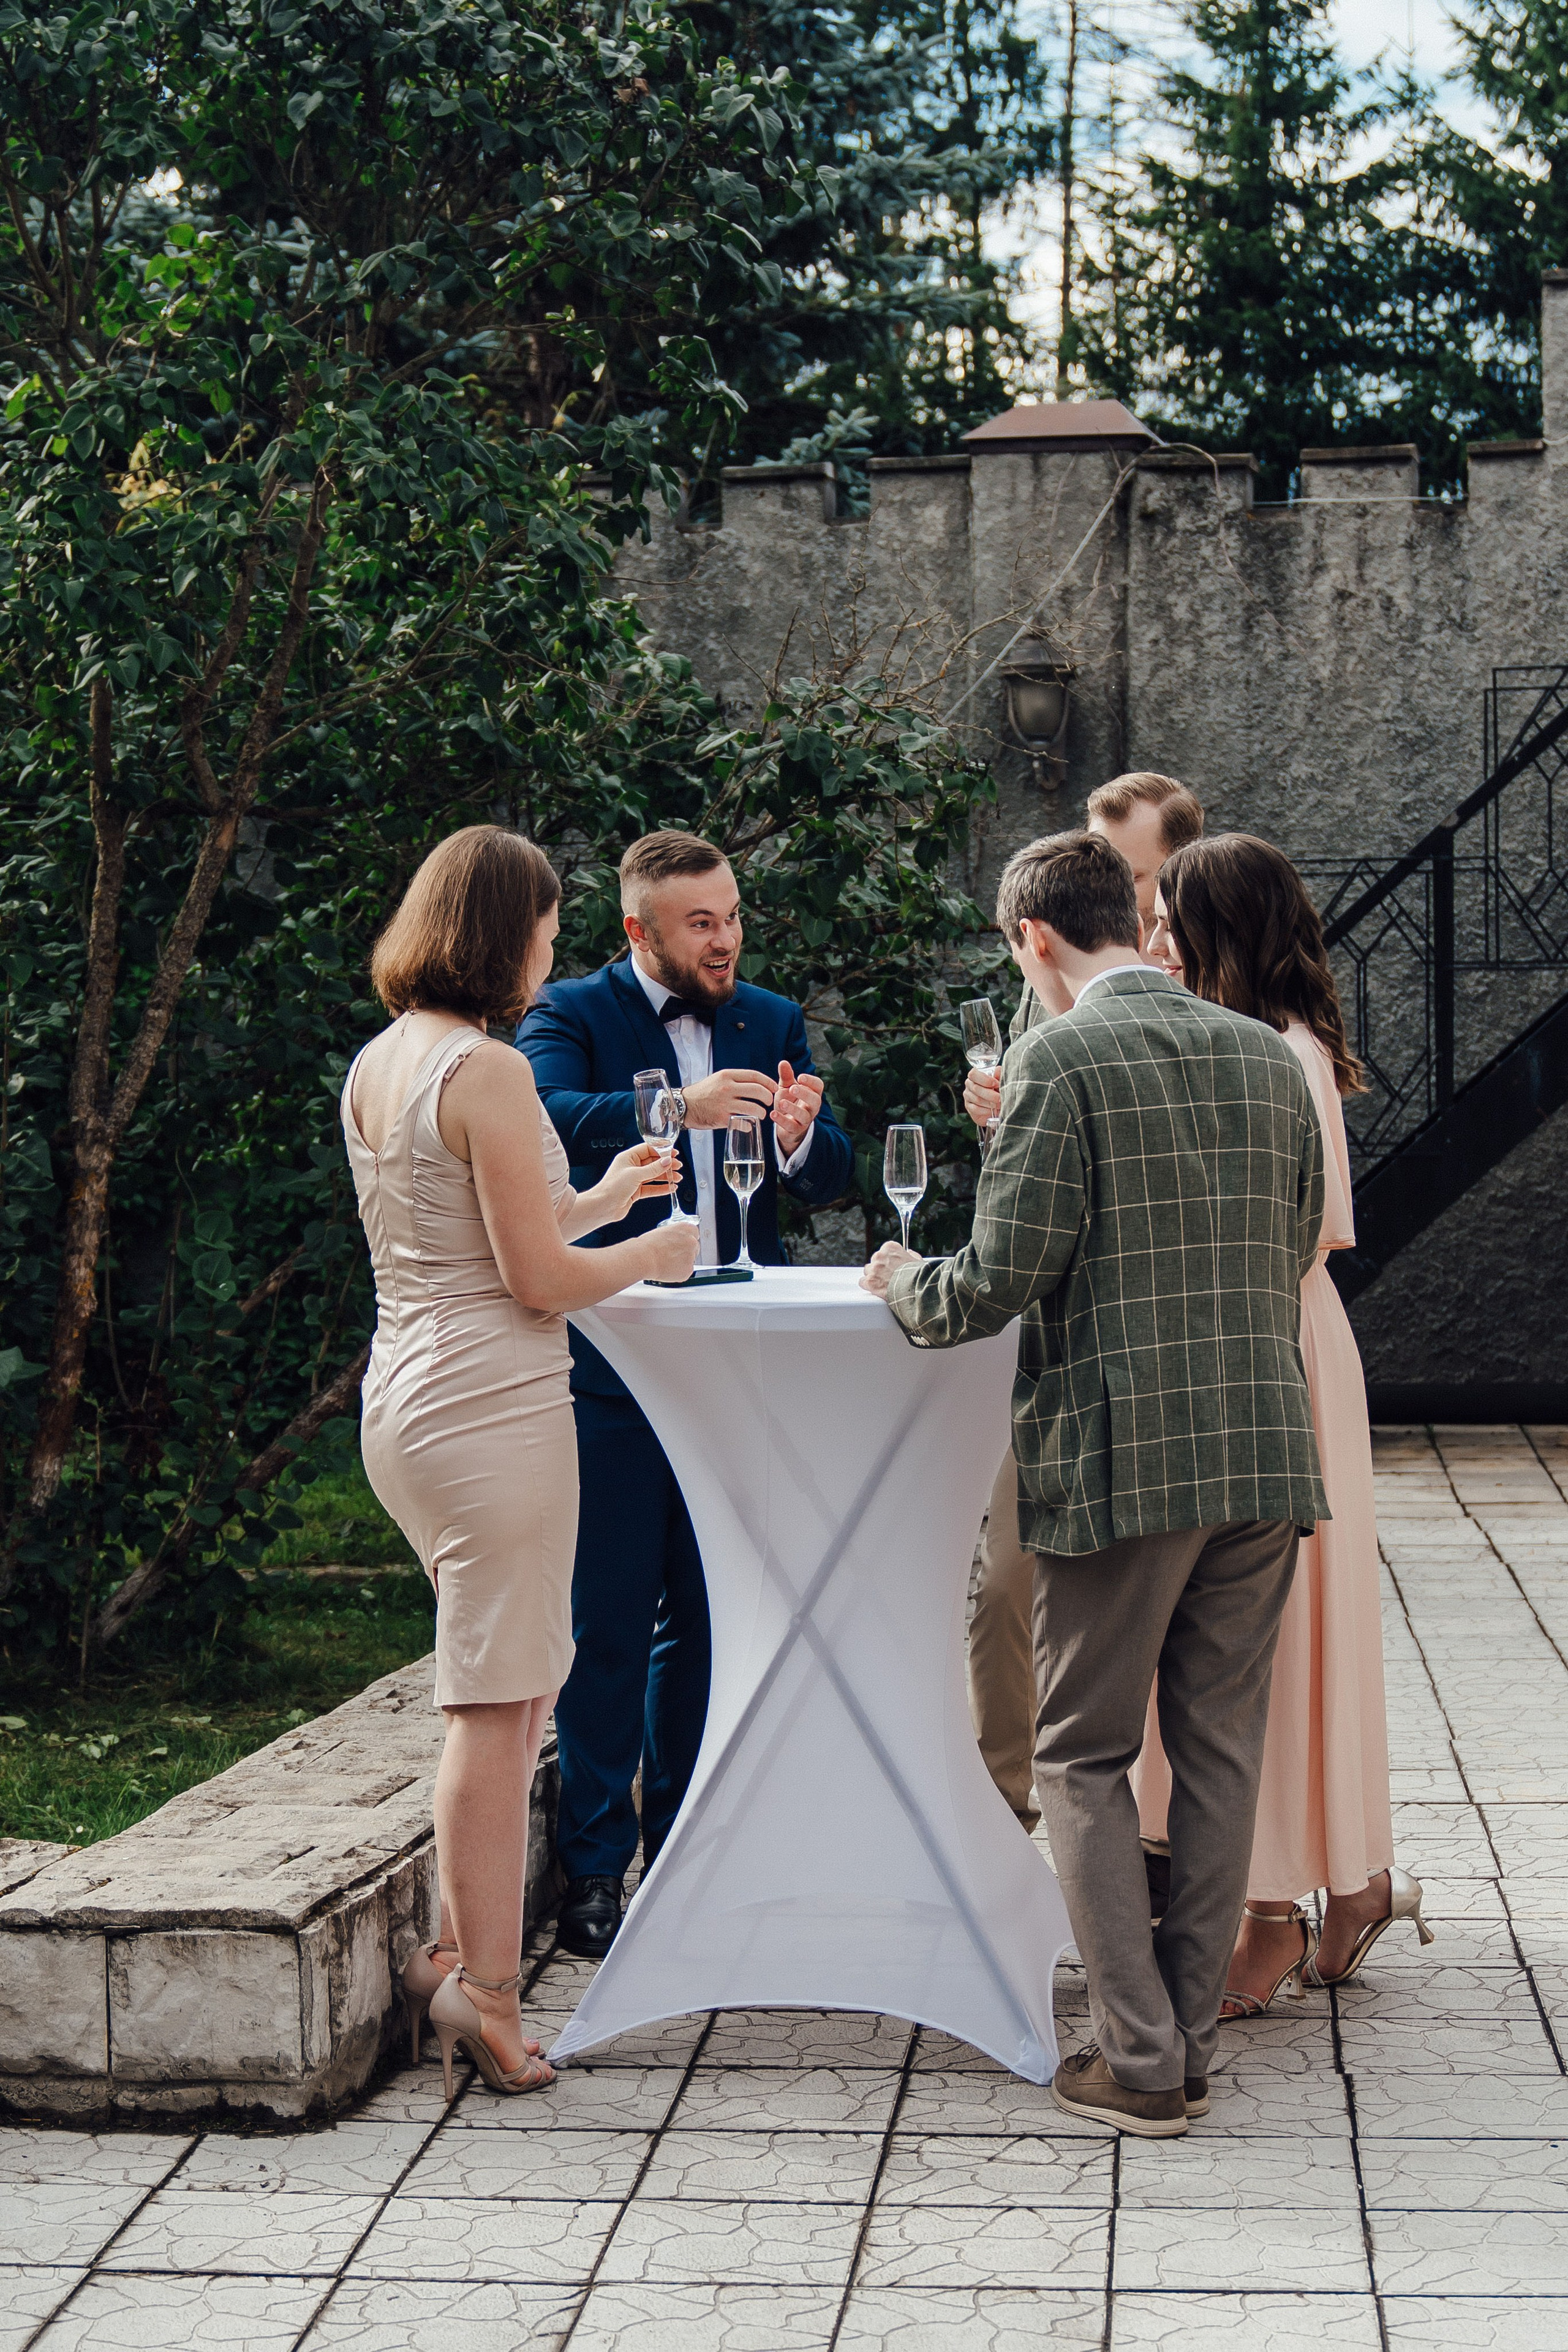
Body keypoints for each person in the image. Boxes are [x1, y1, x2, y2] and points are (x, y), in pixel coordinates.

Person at [862, 829, 1327, 2137]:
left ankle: (1136, 2062)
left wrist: (903, 1283)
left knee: (1078, 1755)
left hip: (1122, 1457)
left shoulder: (1051, 1060)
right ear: (1127, 917)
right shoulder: (1260, 1051)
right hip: (1259, 1450)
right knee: (1218, 1756)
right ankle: (1179, 2040)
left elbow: (996, 1278)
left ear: (1030, 940)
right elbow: (1290, 1248)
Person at [341, 826, 698, 2098]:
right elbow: (537, 1281)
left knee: (500, 1692)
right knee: (496, 1712)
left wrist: (602, 1197)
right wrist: (651, 1254)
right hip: (493, 1413)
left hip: (411, 1400)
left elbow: (490, 1232)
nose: (558, 944)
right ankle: (484, 1994)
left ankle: (461, 1950)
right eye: (548, 923)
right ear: (505, 932)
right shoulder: (487, 1067)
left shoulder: (387, 1059)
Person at [519, 830, 854, 1958]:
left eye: (733, 916)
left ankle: (688, 1850)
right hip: (617, 1365)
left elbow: (840, 1165)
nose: (727, 939)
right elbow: (546, 1118)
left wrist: (804, 1141)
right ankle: (594, 1877)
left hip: (739, 1374)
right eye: (701, 923)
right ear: (639, 931)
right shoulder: (569, 1011)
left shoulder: (768, 1015)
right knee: (608, 1624)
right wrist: (672, 1111)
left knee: (711, 1621)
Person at [1136, 834, 1433, 2009]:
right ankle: (1347, 1886)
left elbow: (1309, 1223)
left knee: (1276, 1634)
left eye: (1170, 923)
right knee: (1251, 1636)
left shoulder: (1285, 1052)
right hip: (1252, 1338)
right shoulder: (1237, 1037)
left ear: (1223, 934)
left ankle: (1274, 1910)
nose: (1153, 942)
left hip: (1278, 1346)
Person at [963, 773, 1205, 1834]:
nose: (1135, 914)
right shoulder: (1044, 990)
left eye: (1144, 885)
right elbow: (1034, 1178)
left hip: (1173, 1354)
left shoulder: (1215, 987)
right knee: (1003, 1590)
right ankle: (999, 1821)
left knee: (1162, 1637)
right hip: (1059, 1341)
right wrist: (996, 1120)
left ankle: (1139, 1844)